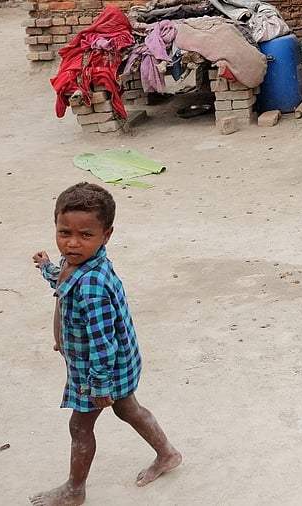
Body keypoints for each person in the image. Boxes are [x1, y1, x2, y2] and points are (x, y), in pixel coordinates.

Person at [30, 182, 181, 505]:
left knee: (79, 427)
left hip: (100, 370)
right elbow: (62, 280)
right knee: (128, 409)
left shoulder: (92, 286)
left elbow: (102, 342)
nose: (72, 243)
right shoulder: (77, 262)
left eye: (85, 235)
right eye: (64, 232)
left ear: (106, 235)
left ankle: (75, 490)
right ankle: (167, 453)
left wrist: (99, 385)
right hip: (114, 364)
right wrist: (46, 268)